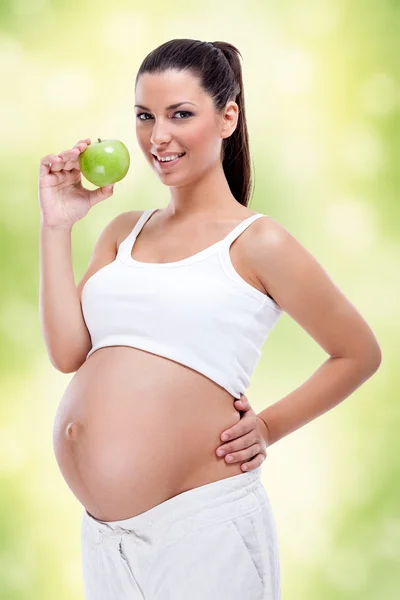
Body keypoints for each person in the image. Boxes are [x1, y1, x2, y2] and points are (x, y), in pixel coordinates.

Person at [38, 39, 381, 600]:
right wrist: (57, 226)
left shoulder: (258, 241)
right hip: (106, 540)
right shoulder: (123, 230)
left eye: (180, 115)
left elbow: (358, 352)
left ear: (227, 117)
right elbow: (67, 353)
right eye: (145, 117)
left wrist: (268, 427)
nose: (158, 137)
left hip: (201, 531)